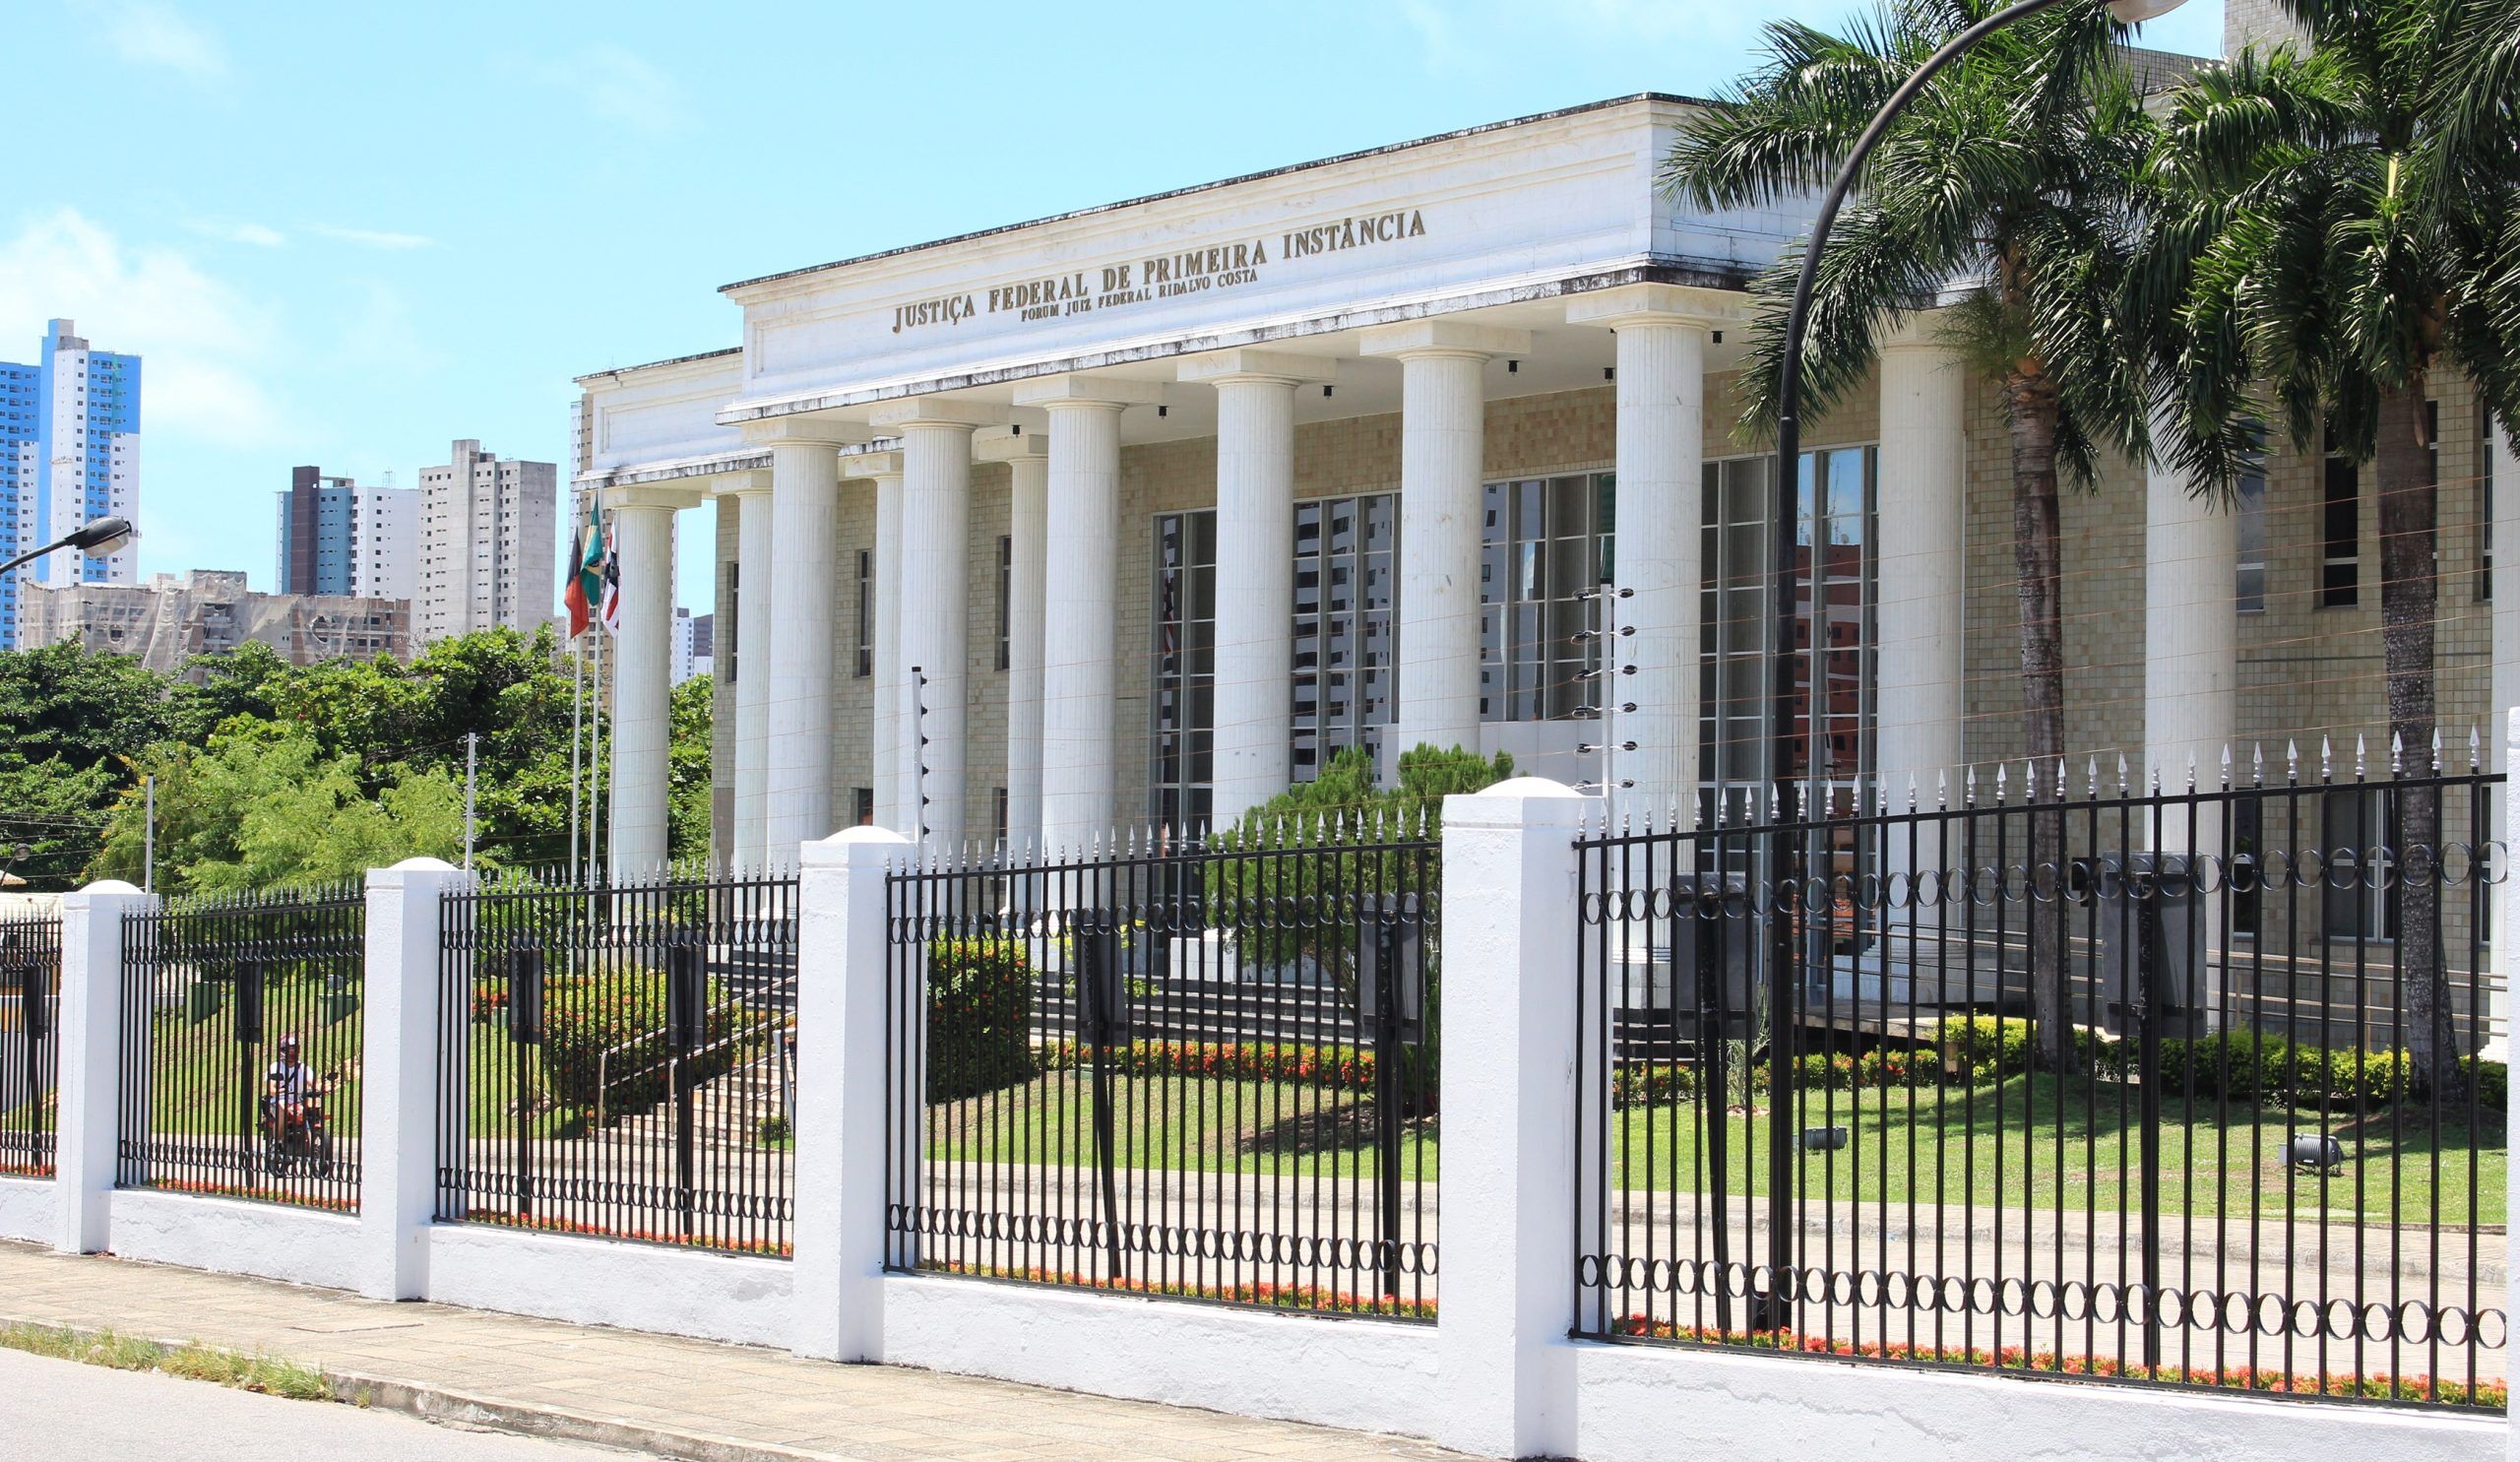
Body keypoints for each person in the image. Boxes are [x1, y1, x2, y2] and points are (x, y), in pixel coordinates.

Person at [263, 1035, 324, 1142]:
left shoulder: (304, 1068)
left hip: (299, 1101)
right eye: (289, 1050)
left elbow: (313, 1083)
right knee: (282, 1107)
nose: (292, 1052)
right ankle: (277, 1141)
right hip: (279, 1100)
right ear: (282, 1051)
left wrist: (318, 1089)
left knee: (313, 1107)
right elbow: (271, 1090)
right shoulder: (275, 1067)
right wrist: (281, 1091)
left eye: (294, 1049)